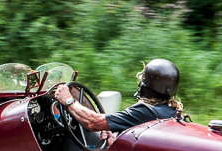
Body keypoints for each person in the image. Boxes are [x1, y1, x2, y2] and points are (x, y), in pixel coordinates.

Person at [54, 58, 185, 141]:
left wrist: (68, 100)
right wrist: (114, 133)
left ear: (144, 87)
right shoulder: (170, 110)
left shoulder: (145, 111)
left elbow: (92, 123)